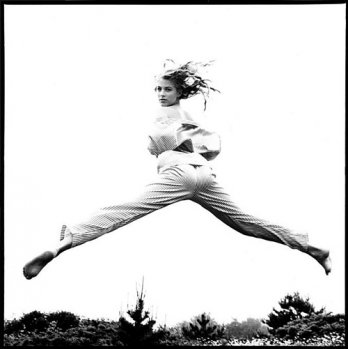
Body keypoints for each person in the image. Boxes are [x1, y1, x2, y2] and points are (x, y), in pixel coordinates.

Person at [23, 60, 331, 280]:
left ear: (178, 91)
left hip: (178, 175)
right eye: (157, 88)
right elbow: (212, 147)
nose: (160, 94)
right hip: (204, 175)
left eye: (166, 89)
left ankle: (64, 242)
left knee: (124, 210)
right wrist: (187, 140)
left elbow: (159, 143)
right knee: (245, 223)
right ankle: (312, 248)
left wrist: (165, 143)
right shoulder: (190, 116)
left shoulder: (163, 115)